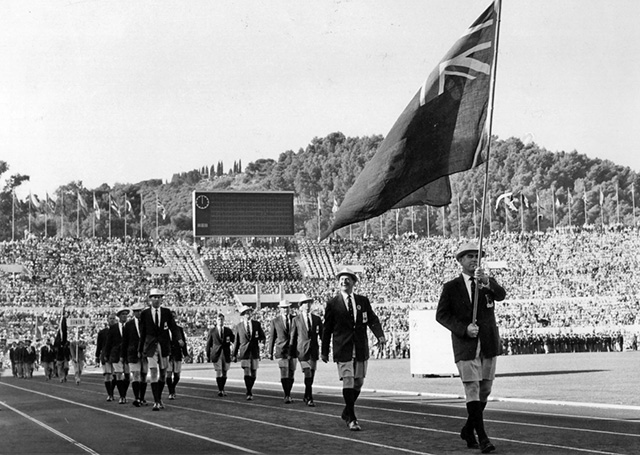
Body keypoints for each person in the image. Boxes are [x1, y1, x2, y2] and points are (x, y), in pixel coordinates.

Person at [436, 242, 506, 454]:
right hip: (466, 345)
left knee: (485, 389)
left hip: (488, 343)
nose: (474, 259)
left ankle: (468, 428)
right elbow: (441, 315)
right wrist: (464, 329)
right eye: (469, 256)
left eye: (477, 256)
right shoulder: (451, 287)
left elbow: (501, 295)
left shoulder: (486, 282)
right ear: (460, 261)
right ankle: (482, 436)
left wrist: (488, 283)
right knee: (472, 389)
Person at [321, 267, 386, 431]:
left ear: (353, 282)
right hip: (343, 348)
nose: (344, 281)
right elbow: (326, 329)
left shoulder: (363, 301)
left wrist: (380, 335)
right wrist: (323, 350)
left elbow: (372, 319)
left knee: (359, 382)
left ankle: (346, 411)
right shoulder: (332, 304)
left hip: (360, 346)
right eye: (341, 279)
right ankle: (352, 418)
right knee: (348, 379)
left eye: (347, 278)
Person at [138, 288, 184, 411]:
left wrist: (179, 339)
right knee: (153, 371)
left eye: (159, 297)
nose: (157, 299)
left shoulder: (167, 312)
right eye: (154, 297)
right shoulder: (145, 314)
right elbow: (143, 333)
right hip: (150, 346)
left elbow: (174, 328)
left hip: (164, 345)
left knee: (163, 374)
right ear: (150, 299)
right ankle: (156, 401)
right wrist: (140, 349)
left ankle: (159, 398)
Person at [290, 294, 323, 406]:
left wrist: (324, 350)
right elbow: (293, 337)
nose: (307, 305)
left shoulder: (317, 319)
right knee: (307, 372)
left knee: (311, 375)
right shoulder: (296, 320)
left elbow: (322, 335)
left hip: (313, 350)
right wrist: (291, 352)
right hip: (302, 351)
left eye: (309, 303)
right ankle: (310, 397)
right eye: (305, 303)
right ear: (301, 306)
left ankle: (306, 394)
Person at [232, 305, 266, 401]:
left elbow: (262, 336)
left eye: (249, 312)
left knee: (254, 373)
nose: (248, 314)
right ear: (243, 315)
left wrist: (262, 342)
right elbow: (236, 342)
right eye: (246, 313)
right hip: (244, 352)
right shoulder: (238, 326)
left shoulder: (256, 324)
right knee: (247, 371)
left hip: (254, 351)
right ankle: (249, 391)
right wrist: (234, 355)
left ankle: (249, 389)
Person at [268, 299, 297, 403]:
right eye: (283, 308)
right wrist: (270, 352)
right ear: (280, 309)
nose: (285, 310)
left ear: (290, 308)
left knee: (291, 373)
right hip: (282, 350)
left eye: (287, 308)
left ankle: (288, 393)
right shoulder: (275, 321)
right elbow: (272, 337)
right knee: (284, 372)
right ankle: (287, 394)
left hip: (293, 350)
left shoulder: (295, 319)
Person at [122, 302, 148, 407]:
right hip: (133, 354)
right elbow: (125, 341)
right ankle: (137, 398)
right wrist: (123, 356)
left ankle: (142, 397)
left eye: (140, 311)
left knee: (144, 375)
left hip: (145, 353)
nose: (138, 313)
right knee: (136, 374)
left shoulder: (147, 323)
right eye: (136, 311)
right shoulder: (129, 325)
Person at [205, 312, 235, 397]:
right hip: (217, 353)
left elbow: (234, 340)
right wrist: (208, 355)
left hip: (226, 353)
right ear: (216, 320)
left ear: (224, 320)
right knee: (218, 371)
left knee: (225, 371)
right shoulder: (212, 331)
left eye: (222, 319)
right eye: (219, 319)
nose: (220, 321)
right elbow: (208, 344)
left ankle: (223, 388)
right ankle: (220, 390)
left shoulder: (228, 330)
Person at [105, 307, 131, 403]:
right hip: (116, 354)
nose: (125, 316)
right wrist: (107, 355)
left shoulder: (130, 326)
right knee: (119, 374)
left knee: (127, 376)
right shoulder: (114, 328)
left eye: (126, 314)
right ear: (119, 316)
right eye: (123, 314)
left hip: (128, 354)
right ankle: (122, 396)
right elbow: (108, 342)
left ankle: (123, 393)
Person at [166, 310, 189, 400]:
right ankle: (171, 391)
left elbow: (183, 342)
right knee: (168, 374)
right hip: (167, 354)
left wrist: (186, 354)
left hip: (177, 353)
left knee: (177, 375)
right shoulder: (163, 329)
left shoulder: (179, 329)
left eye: (173, 317)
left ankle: (173, 388)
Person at [96, 313, 117, 401]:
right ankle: (110, 394)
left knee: (116, 375)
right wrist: (97, 356)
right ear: (107, 320)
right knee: (107, 375)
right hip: (105, 355)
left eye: (113, 318)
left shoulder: (119, 331)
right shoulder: (102, 332)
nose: (112, 320)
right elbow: (99, 345)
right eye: (110, 318)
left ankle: (111, 392)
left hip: (116, 355)